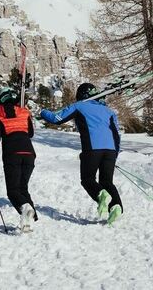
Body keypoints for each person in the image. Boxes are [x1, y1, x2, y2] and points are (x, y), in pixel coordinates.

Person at [37, 82, 124, 225]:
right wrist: (115, 153)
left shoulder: (79, 106)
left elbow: (56, 119)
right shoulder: (109, 111)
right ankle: (116, 206)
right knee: (107, 182)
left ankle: (100, 194)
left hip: (92, 148)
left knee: (88, 179)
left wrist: (42, 112)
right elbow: (116, 134)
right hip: (111, 150)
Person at [0, 86, 38, 231]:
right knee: (22, 188)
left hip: (12, 154)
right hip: (29, 154)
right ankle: (27, 221)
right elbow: (30, 133)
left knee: (13, 191)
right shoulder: (24, 112)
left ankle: (26, 209)